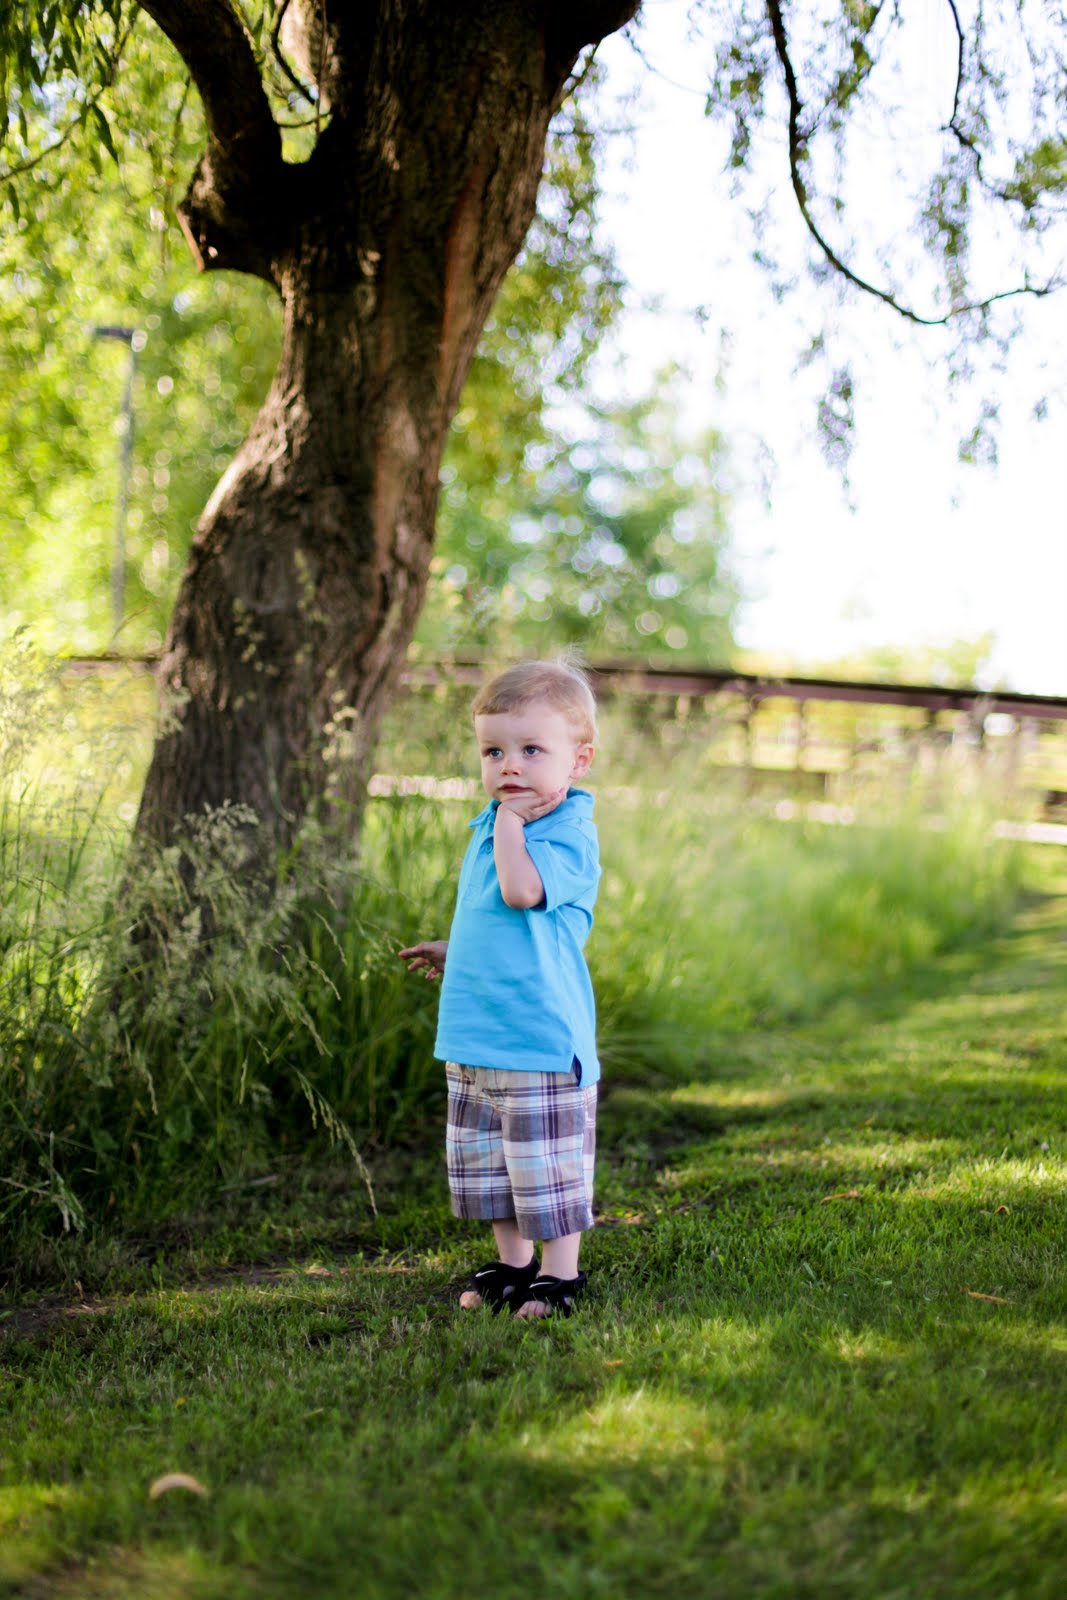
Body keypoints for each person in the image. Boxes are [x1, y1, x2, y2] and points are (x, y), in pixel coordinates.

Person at [399, 658, 602, 1319]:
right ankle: (514, 1264)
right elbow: (499, 921)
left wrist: (511, 825)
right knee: (492, 1163)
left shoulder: (567, 832)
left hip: (538, 1038)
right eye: (493, 751)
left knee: (545, 1166)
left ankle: (560, 1274)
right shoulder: (491, 825)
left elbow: (521, 892)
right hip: (478, 1032)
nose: (509, 766)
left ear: (578, 760)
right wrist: (458, 952)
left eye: (531, 750)